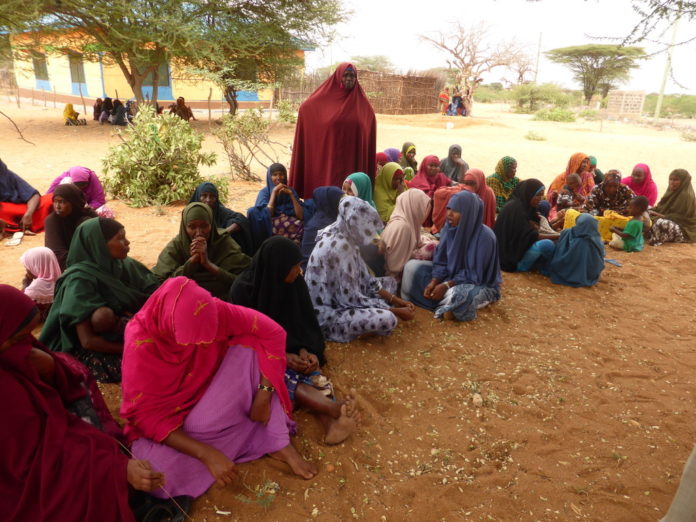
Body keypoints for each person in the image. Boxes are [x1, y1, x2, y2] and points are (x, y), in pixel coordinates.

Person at [121, 277, 318, 500]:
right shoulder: (141, 345)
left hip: (213, 398)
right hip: (176, 424)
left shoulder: (211, 310)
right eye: (190, 343)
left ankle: (275, 439)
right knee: (158, 475)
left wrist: (264, 393)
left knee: (251, 344)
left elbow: (273, 333)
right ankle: (256, 436)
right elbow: (145, 418)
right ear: (168, 327)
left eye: (206, 339)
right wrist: (206, 454)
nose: (201, 347)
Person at [0, 284, 166, 522]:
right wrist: (114, 469)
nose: (28, 346)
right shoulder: (8, 393)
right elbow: (33, 462)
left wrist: (52, 368)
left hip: (46, 444)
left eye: (29, 335)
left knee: (74, 372)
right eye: (18, 339)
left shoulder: (16, 354)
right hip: (21, 481)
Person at [229, 237, 360, 445]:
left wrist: (306, 350)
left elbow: (305, 324)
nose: (298, 271)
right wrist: (281, 356)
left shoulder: (295, 285)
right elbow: (242, 340)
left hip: (288, 352)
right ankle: (335, 410)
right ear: (277, 267)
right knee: (282, 373)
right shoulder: (243, 290)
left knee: (308, 372)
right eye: (294, 266)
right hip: (256, 356)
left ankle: (332, 423)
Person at [40, 218, 159, 383]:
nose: (127, 242)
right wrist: (133, 348)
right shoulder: (79, 279)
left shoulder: (125, 265)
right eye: (120, 238)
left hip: (129, 331)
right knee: (149, 366)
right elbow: (87, 341)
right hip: (93, 347)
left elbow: (156, 292)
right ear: (98, 244)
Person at [305, 197, 415, 343]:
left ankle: (380, 309)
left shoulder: (343, 234)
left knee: (390, 283)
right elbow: (350, 299)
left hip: (343, 296)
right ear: (352, 222)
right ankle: (354, 330)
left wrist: (398, 300)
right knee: (387, 319)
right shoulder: (339, 247)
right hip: (328, 312)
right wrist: (395, 311)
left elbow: (366, 278)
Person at [401, 190, 501, 321]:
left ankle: (450, 305)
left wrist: (447, 285)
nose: (449, 214)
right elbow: (441, 260)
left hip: (477, 281)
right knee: (411, 267)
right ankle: (445, 304)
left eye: (456, 210)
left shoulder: (485, 238)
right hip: (449, 275)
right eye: (448, 208)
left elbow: (475, 274)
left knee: (458, 294)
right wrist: (434, 281)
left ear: (468, 214)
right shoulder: (449, 229)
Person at [290, 63, 376, 198]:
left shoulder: (364, 107)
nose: (349, 79)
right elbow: (307, 110)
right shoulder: (321, 100)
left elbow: (367, 136)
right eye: (346, 75)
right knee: (327, 197)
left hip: (352, 160)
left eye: (352, 76)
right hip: (328, 160)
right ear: (338, 77)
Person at [153, 202, 250, 299]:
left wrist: (208, 264)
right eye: (192, 227)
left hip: (222, 301)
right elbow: (159, 284)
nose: (199, 232)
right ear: (184, 227)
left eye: (204, 226)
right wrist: (192, 262)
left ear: (211, 225)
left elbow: (245, 281)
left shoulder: (223, 243)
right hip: (185, 302)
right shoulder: (177, 245)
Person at [494, 179, 559, 272]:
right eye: (538, 195)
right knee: (547, 245)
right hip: (509, 260)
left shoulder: (525, 206)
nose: (541, 199)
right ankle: (545, 270)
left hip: (515, 251)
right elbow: (532, 236)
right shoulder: (516, 209)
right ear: (529, 193)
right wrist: (559, 235)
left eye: (542, 195)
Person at [247, 163, 306, 249]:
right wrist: (274, 192)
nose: (278, 177)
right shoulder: (264, 192)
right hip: (272, 226)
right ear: (269, 177)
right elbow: (267, 215)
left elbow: (300, 216)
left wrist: (291, 195)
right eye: (274, 175)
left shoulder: (291, 190)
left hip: (292, 226)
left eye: (281, 174)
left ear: (285, 176)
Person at [189, 181, 253, 256]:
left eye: (212, 196)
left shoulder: (219, 210)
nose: (208, 200)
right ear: (198, 197)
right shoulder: (190, 214)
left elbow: (241, 219)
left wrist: (225, 232)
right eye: (204, 196)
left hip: (219, 249)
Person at [44, 183, 98, 269]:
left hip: (91, 261)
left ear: (74, 202)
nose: (57, 206)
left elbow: (102, 242)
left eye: (62, 202)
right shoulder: (52, 220)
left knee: (86, 223)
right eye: (55, 201)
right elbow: (57, 253)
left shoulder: (88, 215)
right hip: (65, 266)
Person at [380, 189, 433, 277]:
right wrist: (418, 255)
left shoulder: (407, 223)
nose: (426, 211)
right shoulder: (402, 227)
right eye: (423, 206)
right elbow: (394, 266)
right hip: (393, 281)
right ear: (415, 206)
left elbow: (417, 242)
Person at [547, 213, 605, 287]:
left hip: (563, 270)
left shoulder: (567, 232)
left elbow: (559, 248)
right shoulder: (597, 239)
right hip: (590, 274)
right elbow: (600, 258)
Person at [0, 158, 53, 233]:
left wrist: (28, 214)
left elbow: (33, 195)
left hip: (24, 210)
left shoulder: (7, 174)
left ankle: (25, 224)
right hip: (5, 214)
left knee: (51, 198)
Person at [648, 169, 696, 246]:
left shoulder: (686, 195)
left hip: (684, 229)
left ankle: (657, 239)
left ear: (684, 181)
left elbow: (680, 218)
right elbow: (661, 207)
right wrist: (649, 211)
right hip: (667, 220)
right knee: (644, 210)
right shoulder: (671, 191)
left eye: (676, 180)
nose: (672, 182)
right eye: (671, 179)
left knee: (662, 223)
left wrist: (657, 214)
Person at [300, 186, 344, 269]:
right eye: (339, 201)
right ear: (330, 203)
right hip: (316, 271)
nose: (342, 205)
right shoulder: (316, 226)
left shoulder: (335, 220)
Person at [20, 246, 61, 320]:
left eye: (28, 267)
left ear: (37, 267)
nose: (27, 271)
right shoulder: (61, 278)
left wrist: (26, 282)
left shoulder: (35, 289)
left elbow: (21, 303)